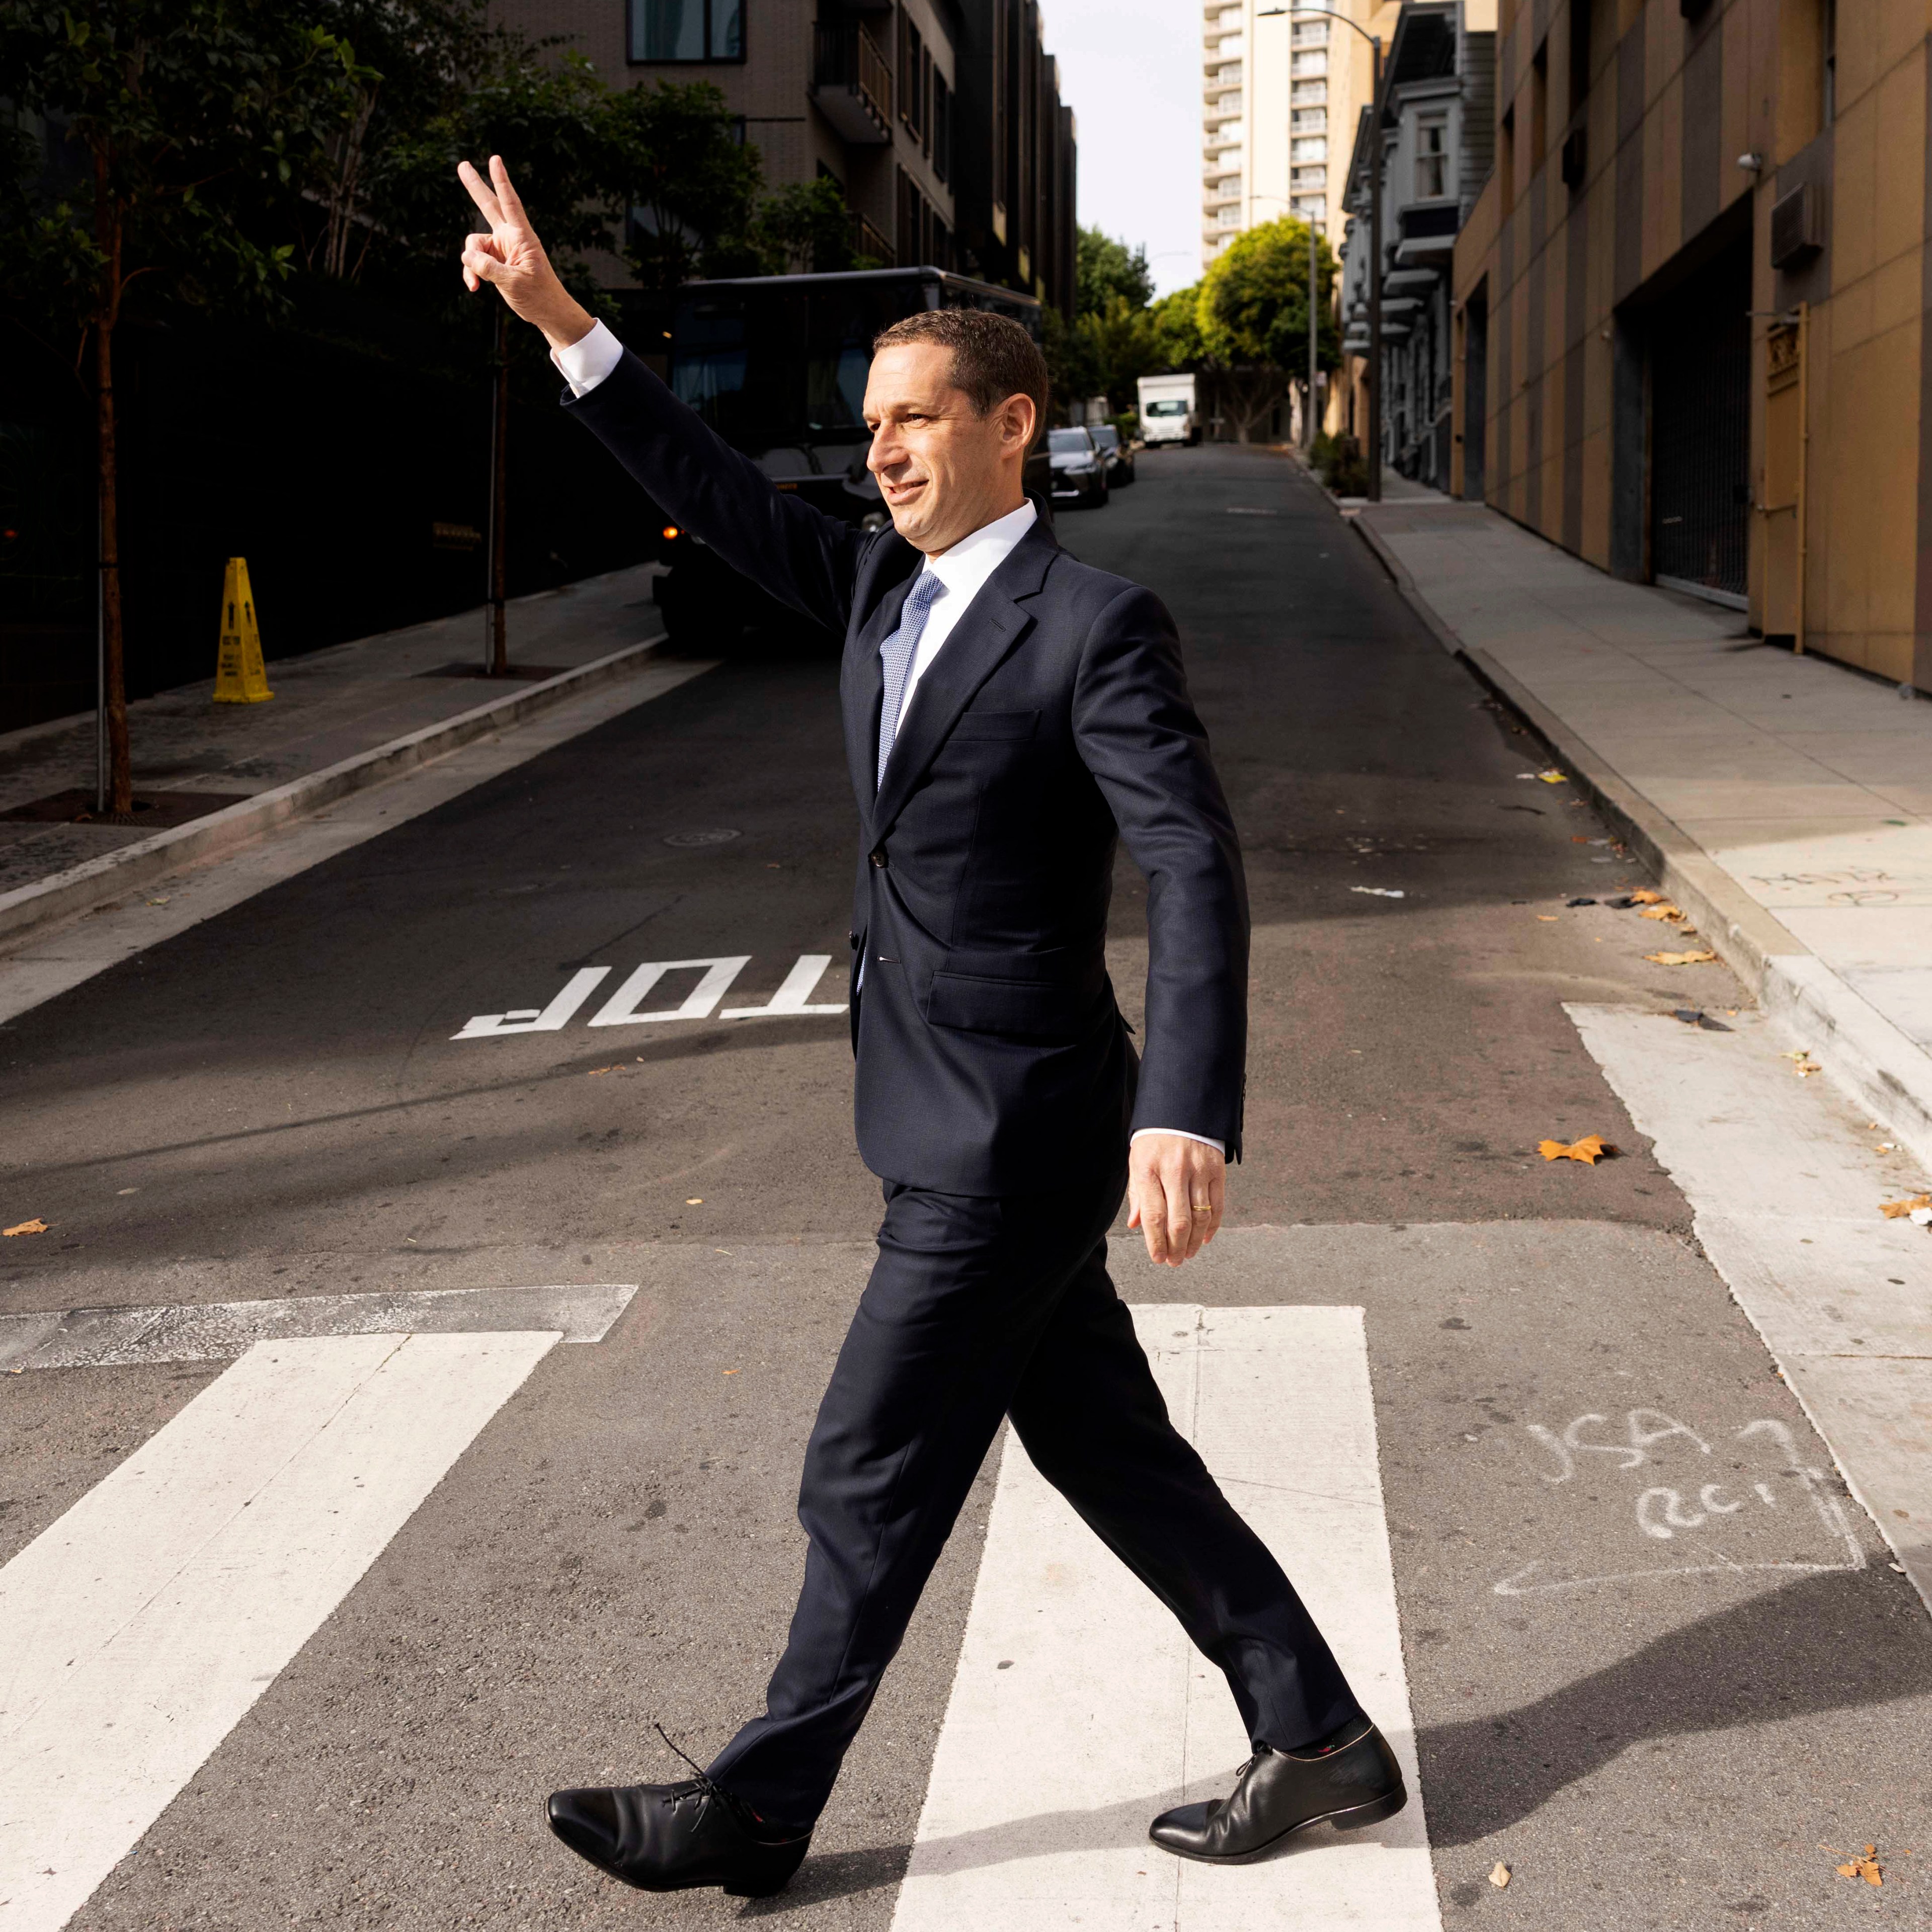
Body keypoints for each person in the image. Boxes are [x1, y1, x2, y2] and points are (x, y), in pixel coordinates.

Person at [457, 155, 1404, 1900]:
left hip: (1018, 1132)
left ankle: (756, 1805)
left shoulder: (1095, 626)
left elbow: (1193, 864)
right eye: (870, 422)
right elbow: (718, 492)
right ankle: (1322, 1735)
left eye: (911, 419)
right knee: (1110, 1447)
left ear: (1012, 427)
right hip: (935, 1113)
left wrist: (1185, 1108)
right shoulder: (885, 596)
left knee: (868, 1461)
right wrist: (564, 323)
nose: (880, 448)